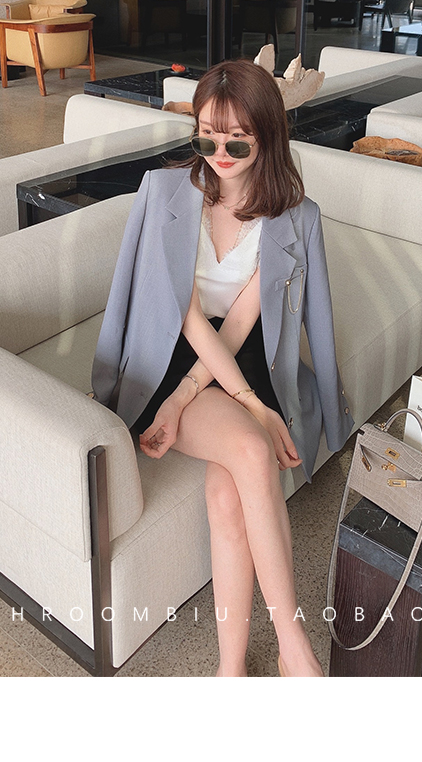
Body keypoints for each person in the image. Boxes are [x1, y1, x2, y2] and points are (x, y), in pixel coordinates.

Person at [91, 59, 353, 677]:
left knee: (227, 497)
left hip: (244, 354)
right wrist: (213, 400)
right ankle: (294, 647)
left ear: (268, 136)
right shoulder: (162, 192)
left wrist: (241, 397)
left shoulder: (296, 216)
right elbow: (181, 316)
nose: (220, 154)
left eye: (238, 140)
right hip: (171, 352)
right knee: (254, 452)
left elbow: (240, 323)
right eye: (207, 137)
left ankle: (230, 671)